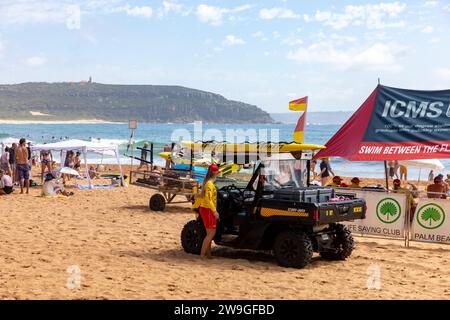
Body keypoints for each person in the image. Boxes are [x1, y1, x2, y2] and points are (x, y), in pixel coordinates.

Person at [198, 164, 220, 259]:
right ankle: (202, 255)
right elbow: (209, 199)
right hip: (208, 209)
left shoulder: (208, 183)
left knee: (209, 234)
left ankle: (208, 254)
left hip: (205, 209)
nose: (218, 174)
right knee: (211, 233)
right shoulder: (210, 184)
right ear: (214, 173)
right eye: (217, 172)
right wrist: (215, 212)